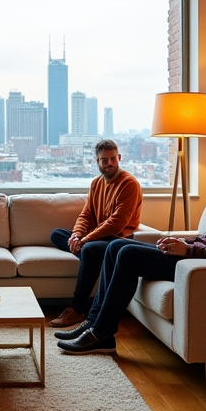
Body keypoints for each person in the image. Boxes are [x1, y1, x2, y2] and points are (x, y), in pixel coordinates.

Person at [56, 159, 206, 354]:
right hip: (190, 254)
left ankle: (102, 334)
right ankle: (93, 322)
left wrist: (188, 250)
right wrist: (182, 243)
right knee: (114, 246)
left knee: (127, 253)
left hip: (196, 264)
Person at [49, 139, 143, 328]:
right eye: (104, 160)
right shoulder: (97, 183)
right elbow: (87, 214)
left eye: (113, 159)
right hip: (97, 236)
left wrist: (85, 239)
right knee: (57, 234)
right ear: (97, 161)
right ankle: (82, 248)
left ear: (119, 158)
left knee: (90, 249)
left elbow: (116, 224)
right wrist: (76, 235)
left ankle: (76, 310)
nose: (109, 164)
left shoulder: (129, 184)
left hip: (118, 240)